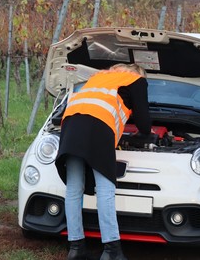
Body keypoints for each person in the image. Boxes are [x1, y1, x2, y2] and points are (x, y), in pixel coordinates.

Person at [55, 63, 152, 260]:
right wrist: (144, 134)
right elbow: (144, 122)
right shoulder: (136, 80)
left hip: (71, 123)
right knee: (105, 189)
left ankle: (76, 248)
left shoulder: (99, 77)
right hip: (98, 126)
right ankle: (111, 250)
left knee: (74, 188)